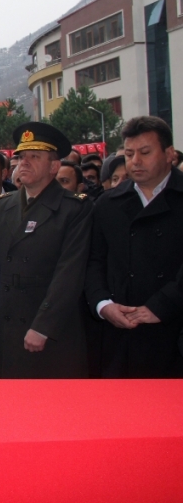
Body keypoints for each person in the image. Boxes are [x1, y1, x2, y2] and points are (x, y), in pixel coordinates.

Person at [85, 116, 183, 378]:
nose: (135, 161)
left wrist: (161, 306)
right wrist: (103, 304)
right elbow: (94, 260)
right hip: (120, 331)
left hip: (174, 329)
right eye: (129, 154)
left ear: (170, 154)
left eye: (145, 152)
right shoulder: (108, 203)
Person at [0, 122, 93, 378]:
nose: (23, 163)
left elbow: (70, 273)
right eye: (21, 157)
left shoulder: (74, 209)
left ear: (54, 166)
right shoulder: (4, 206)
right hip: (9, 326)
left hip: (49, 330)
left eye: (34, 157)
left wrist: (44, 326)